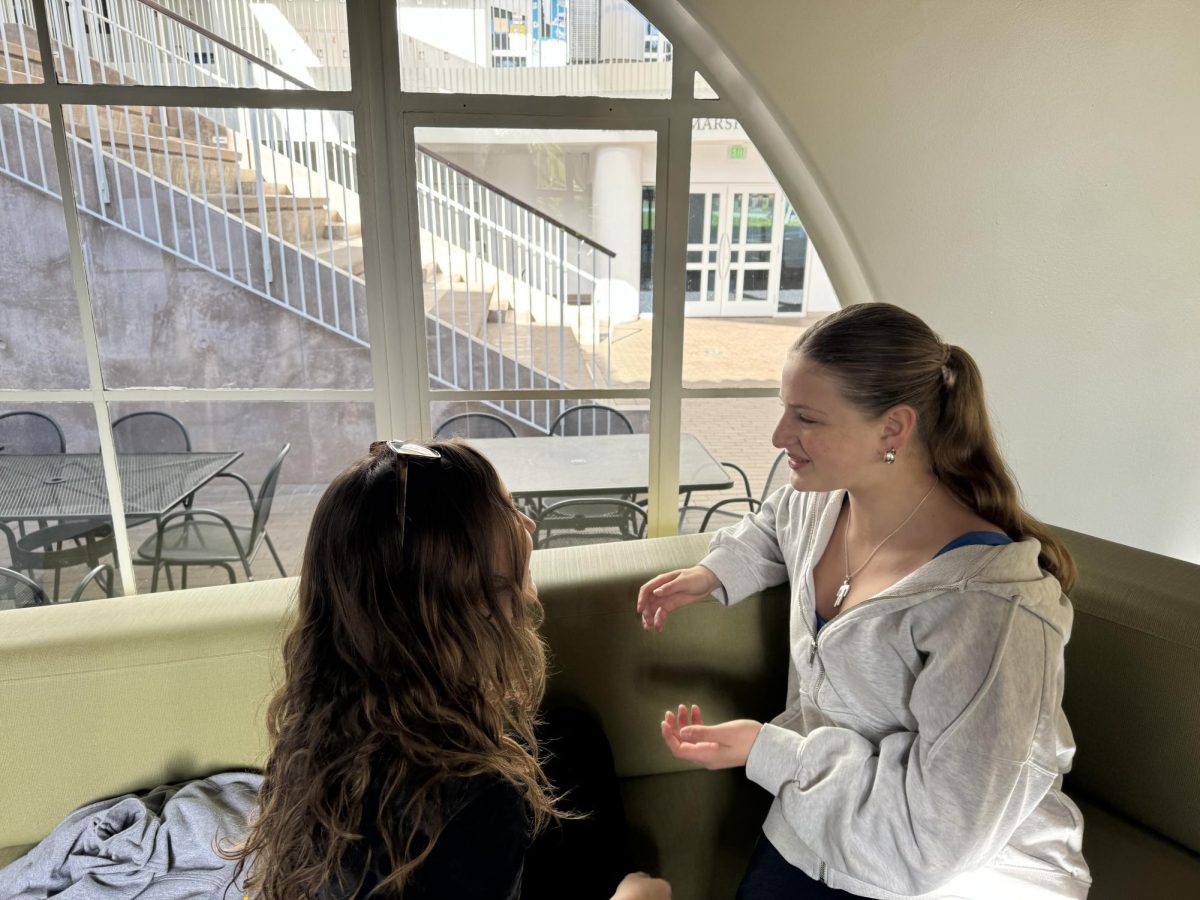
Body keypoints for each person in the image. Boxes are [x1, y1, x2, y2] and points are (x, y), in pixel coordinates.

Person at [637, 303, 1091, 899]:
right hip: (815, 826)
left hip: (955, 871)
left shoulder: (989, 611)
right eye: (783, 408)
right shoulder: (820, 501)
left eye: (806, 418)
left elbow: (933, 842)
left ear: (893, 428)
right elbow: (776, 524)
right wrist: (715, 573)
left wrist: (772, 753)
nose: (778, 437)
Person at [229, 439, 670, 900]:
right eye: (505, 510)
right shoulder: (474, 798)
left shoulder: (329, 722)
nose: (529, 525)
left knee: (571, 739)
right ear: (452, 579)